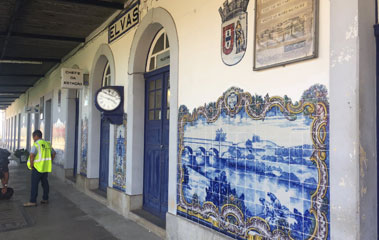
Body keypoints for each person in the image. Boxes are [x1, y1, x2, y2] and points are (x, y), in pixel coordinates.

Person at [24, 130, 56, 207]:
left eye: (33, 137)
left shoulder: (36, 144)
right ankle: (45, 199)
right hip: (45, 168)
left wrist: (31, 165)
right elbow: (54, 153)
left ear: (36, 136)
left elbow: (32, 155)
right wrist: (50, 160)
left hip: (37, 168)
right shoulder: (47, 144)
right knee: (45, 183)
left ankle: (32, 201)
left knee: (34, 184)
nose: (33, 139)